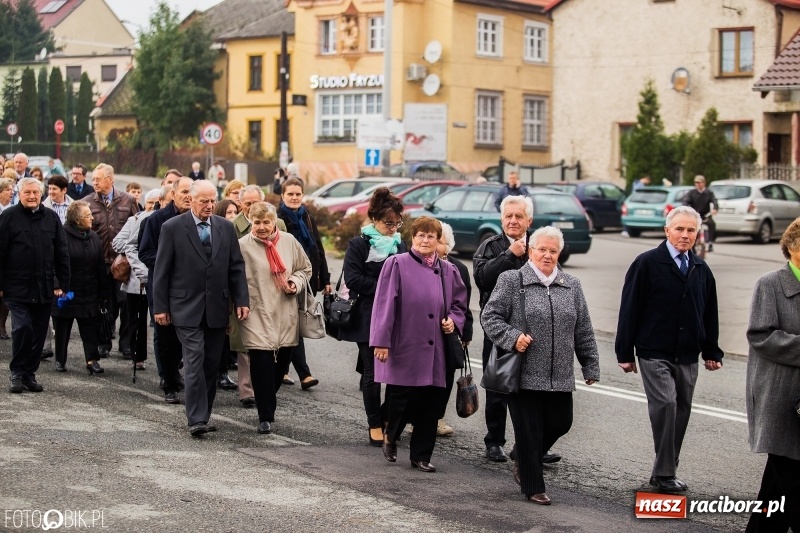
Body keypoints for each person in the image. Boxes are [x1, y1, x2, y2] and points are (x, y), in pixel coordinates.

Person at [482, 226, 600, 505]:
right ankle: (533, 485)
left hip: (559, 373)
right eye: (541, 249)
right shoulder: (512, 280)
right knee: (529, 429)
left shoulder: (571, 285)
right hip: (522, 373)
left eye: (553, 251)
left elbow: (583, 328)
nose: (547, 255)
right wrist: (513, 338)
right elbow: (491, 316)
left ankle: (523, 456)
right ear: (530, 251)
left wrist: (590, 365)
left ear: (560, 253)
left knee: (562, 422)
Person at [615, 205, 724, 493]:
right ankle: (665, 474)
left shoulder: (701, 268)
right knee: (667, 405)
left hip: (688, 352)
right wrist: (624, 353)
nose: (685, 235)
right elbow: (629, 309)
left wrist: (712, 351)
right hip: (654, 350)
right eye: (679, 229)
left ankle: (665, 468)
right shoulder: (647, 263)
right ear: (667, 231)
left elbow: (709, 312)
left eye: (691, 230)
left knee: (682, 410)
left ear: (697, 234)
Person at [372, 216, 468, 473]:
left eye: (431, 237)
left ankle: (421, 456)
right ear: (412, 238)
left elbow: (460, 304)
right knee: (402, 399)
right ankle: (391, 435)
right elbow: (384, 305)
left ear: (438, 241)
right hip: (404, 343)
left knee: (431, 403)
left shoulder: (449, 270)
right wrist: (381, 342)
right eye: (420, 236)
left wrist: (453, 321)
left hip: (436, 347)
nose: (425, 241)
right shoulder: (396, 264)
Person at [153, 180, 250, 437]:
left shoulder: (226, 228)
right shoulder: (172, 228)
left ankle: (203, 415)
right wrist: (160, 306)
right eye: (203, 201)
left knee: (210, 363)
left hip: (217, 307)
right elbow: (161, 271)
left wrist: (241, 301)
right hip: (185, 307)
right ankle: (195, 418)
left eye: (212, 201)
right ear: (191, 200)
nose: (209, 206)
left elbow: (236, 267)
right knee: (194, 359)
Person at [340, 187, 408, 446]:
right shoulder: (359, 244)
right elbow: (353, 279)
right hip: (367, 315)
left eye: (397, 223)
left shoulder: (400, 244)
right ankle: (375, 423)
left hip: (395, 315)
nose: (393, 228)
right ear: (374, 219)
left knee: (394, 372)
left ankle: (388, 416)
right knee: (372, 372)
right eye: (388, 223)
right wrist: (385, 286)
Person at [745, 218, 800, 533]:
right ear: (792, 248)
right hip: (779, 396)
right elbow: (760, 335)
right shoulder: (771, 283)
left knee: (777, 487)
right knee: (791, 474)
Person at [238, 202, 311, 434]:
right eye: (257, 222)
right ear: (250, 221)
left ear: (274, 222)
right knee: (261, 364)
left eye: (266, 222)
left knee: (281, 366)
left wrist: (294, 282)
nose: (261, 227)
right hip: (256, 312)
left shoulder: (289, 242)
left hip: (285, 311)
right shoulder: (242, 246)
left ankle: (267, 399)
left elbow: (305, 268)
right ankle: (265, 415)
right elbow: (233, 276)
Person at [0, 178, 70, 393]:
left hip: (44, 287)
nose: (31, 196)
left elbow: (61, 252)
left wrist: (62, 283)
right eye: (27, 192)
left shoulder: (51, 218)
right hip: (16, 287)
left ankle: (29, 373)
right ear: (19, 194)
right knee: (22, 328)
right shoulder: (8, 217)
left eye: (35, 193)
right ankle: (16, 373)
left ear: (41, 195)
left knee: (39, 332)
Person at [229, 185, 286, 404]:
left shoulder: (278, 224)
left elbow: (285, 253)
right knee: (246, 345)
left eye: (255, 202)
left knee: (272, 343)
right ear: (240, 205)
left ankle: (267, 387)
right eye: (247, 203)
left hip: (272, 289)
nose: (252, 207)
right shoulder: (233, 226)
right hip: (246, 290)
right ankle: (247, 391)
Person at [139, 177, 194, 403]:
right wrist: (172, 261)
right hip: (164, 286)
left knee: (186, 336)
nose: (188, 196)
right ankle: (168, 382)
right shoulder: (157, 220)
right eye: (184, 192)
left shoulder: (199, 220)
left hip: (191, 289)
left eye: (192, 192)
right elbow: (145, 253)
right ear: (173, 192)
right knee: (165, 336)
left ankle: (175, 373)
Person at [276, 177, 329, 390]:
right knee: (293, 325)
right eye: (290, 194)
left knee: (294, 325)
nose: (295, 197)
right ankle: (304, 373)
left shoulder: (307, 217)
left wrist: (324, 278)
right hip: (287, 280)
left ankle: (283, 369)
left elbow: (318, 248)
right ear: (283, 196)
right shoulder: (278, 219)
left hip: (307, 279)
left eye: (298, 194)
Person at [87, 164, 140, 358]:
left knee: (126, 303)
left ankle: (126, 344)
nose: (94, 183)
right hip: (99, 263)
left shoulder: (128, 200)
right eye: (93, 179)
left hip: (124, 263)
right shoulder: (87, 202)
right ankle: (103, 342)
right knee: (103, 304)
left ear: (110, 179)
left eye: (98, 179)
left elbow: (138, 228)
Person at [51, 201, 108, 374]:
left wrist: (104, 292)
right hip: (67, 291)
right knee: (62, 327)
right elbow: (53, 263)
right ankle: (60, 360)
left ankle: (92, 360)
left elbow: (100, 265)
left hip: (89, 291)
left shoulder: (93, 237)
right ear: (77, 219)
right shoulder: (61, 235)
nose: (92, 218)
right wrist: (57, 285)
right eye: (88, 215)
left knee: (89, 327)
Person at [112, 191, 161, 371]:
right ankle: (137, 355)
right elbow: (118, 243)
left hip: (156, 278)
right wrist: (135, 255)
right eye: (149, 202)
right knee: (137, 319)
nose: (152, 205)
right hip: (137, 279)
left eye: (155, 202)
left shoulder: (162, 221)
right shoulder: (136, 220)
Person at [434, 222, 473, 437]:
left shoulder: (460, 268)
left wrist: (465, 333)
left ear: (447, 246)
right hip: (424, 331)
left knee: (447, 376)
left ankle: (437, 417)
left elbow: (464, 303)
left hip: (450, 331)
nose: (433, 244)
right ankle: (413, 418)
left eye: (439, 241)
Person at [683, 175, 717, 252]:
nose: (697, 184)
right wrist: (686, 209)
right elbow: (686, 201)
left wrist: (715, 209)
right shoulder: (691, 193)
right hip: (694, 215)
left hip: (705, 215)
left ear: (704, 183)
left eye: (699, 182)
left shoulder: (709, 193)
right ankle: (693, 246)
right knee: (694, 229)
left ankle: (710, 242)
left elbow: (715, 201)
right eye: (696, 183)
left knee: (712, 224)